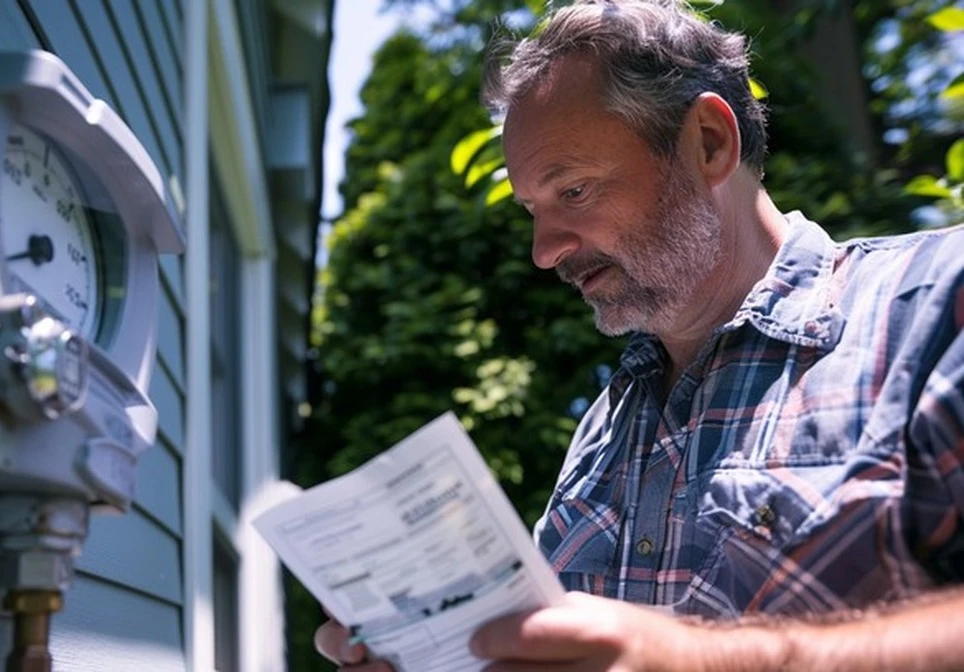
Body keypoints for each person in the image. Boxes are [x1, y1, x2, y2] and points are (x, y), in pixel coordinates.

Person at [315, 0, 964, 670]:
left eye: (573, 192)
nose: (544, 250)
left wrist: (705, 659)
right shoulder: (601, 433)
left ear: (709, 143)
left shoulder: (934, 303)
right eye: (532, 210)